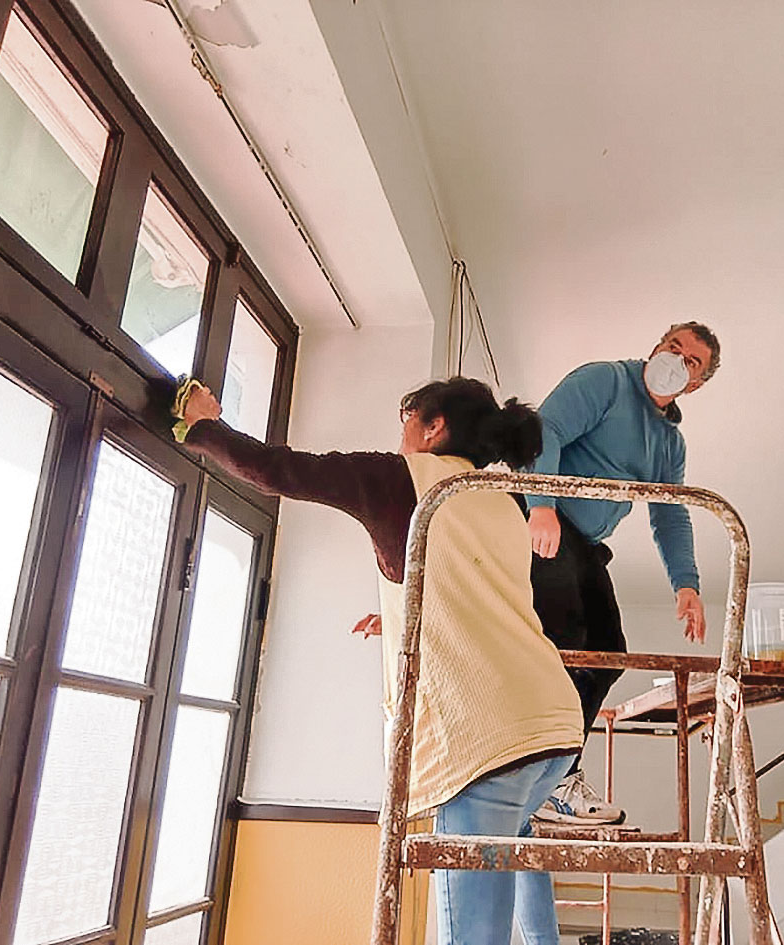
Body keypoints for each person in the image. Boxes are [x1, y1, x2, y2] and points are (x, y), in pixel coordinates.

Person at [173, 376, 583, 945]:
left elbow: (277, 470)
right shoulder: (499, 501)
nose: (401, 438)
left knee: (471, 936)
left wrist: (203, 425)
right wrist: (398, 617)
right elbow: (481, 598)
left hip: (485, 743)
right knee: (513, 844)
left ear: (434, 426)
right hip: (554, 729)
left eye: (407, 422)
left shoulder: (403, 480)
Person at [524, 322, 721, 825]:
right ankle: (540, 775)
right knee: (566, 643)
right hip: (545, 522)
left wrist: (687, 585)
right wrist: (540, 505)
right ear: (656, 344)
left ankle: (556, 776)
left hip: (586, 544)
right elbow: (545, 430)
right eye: (673, 346)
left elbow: (670, 514)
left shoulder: (669, 446)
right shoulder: (607, 381)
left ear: (696, 385)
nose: (676, 359)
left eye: (691, 362)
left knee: (609, 655)